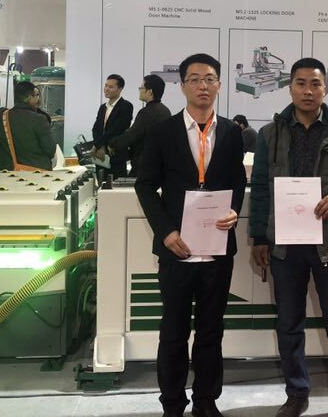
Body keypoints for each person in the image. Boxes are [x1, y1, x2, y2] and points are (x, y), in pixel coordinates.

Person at [249, 57, 328, 417]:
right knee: (289, 325)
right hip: (285, 247)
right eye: (301, 83)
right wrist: (259, 237)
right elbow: (261, 188)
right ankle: (297, 394)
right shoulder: (269, 135)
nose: (308, 91)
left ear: (325, 88)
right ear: (290, 87)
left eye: (315, 84)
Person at [135, 53, 247, 417]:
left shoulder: (230, 132)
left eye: (210, 79)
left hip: (217, 248)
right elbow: (145, 185)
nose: (203, 86)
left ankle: (205, 401)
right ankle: (172, 404)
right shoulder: (163, 132)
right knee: (173, 331)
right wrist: (166, 231)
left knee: (211, 330)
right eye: (195, 79)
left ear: (219, 85)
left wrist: (235, 210)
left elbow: (238, 182)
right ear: (182, 86)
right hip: (177, 248)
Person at [0, 80, 55, 171]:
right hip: (35, 172)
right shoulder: (39, 119)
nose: (38, 99)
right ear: (29, 98)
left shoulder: (1, 116)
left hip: (6, 172)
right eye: (37, 95)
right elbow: (50, 151)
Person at [108, 74, 172, 177]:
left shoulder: (148, 112)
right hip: (159, 165)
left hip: (145, 167)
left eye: (141, 88)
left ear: (149, 91)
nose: (139, 90)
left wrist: (112, 143)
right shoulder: (165, 110)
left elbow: (132, 135)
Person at [92, 74, 133, 179]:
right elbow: (96, 129)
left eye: (110, 87)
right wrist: (100, 146)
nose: (106, 89)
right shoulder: (103, 107)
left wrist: (98, 145)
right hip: (100, 156)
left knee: (116, 186)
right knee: (101, 184)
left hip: (115, 155)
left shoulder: (126, 106)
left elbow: (117, 129)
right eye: (106, 85)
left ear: (120, 89)